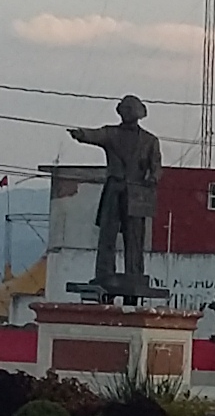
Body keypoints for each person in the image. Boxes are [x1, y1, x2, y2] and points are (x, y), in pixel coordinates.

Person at [66, 96, 162, 301]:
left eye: (131, 108)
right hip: (114, 189)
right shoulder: (112, 133)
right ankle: (104, 271)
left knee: (134, 238)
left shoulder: (150, 140)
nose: (127, 112)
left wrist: (153, 177)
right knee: (107, 235)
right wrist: (81, 134)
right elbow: (95, 135)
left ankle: (134, 273)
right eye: (124, 108)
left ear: (138, 113)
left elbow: (156, 166)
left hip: (136, 193)